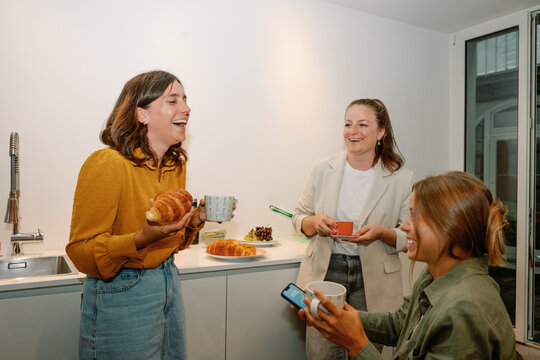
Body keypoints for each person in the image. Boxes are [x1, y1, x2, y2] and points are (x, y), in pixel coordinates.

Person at [299, 171, 516, 360]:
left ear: (451, 228)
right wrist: (341, 317)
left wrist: (356, 343)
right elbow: (399, 324)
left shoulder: (464, 308)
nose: (403, 226)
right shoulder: (434, 274)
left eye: (415, 216)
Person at [66, 70, 207, 359]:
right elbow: (80, 253)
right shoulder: (108, 164)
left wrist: (193, 221)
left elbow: (169, 242)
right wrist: (139, 239)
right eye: (173, 100)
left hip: (168, 280)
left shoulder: (173, 165)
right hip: (121, 289)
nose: (186, 108)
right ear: (142, 114)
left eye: (185, 99)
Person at [292, 98, 413, 358]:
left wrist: (381, 233)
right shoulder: (323, 168)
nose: (352, 131)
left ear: (381, 132)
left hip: (375, 278)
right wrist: (314, 223)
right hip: (327, 270)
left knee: (367, 351)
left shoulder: (401, 178)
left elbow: (409, 236)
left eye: (362, 125)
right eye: (348, 124)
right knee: (322, 352)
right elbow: (299, 217)